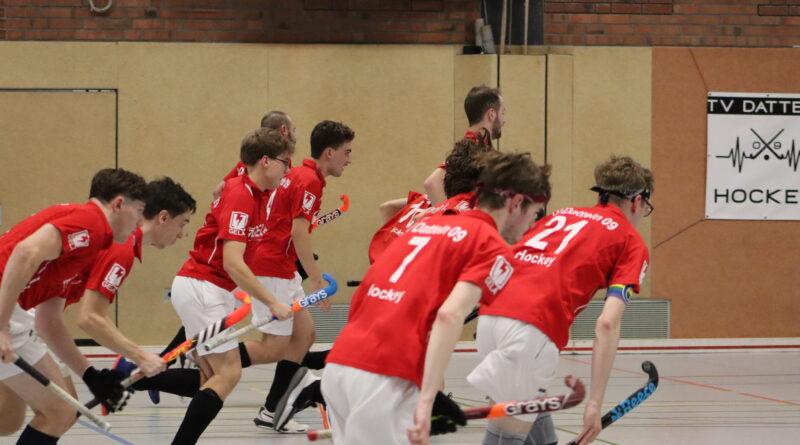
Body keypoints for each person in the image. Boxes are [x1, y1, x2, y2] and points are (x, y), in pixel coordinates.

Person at [273, 152, 550, 444]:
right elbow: (449, 316)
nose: (532, 224)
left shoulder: (427, 221)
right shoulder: (490, 244)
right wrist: (428, 398)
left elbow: (372, 291)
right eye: (534, 213)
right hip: (385, 379)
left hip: (341, 369)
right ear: (516, 203)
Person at [464, 155, 653, 445]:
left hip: (490, 318)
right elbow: (607, 324)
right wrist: (594, 404)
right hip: (530, 330)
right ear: (637, 201)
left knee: (531, 407)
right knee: (505, 437)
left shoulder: (562, 214)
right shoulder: (630, 240)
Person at [0, 168, 147, 444]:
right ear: (118, 204)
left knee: (32, 416)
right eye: (139, 210)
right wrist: (1, 327)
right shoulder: (91, 222)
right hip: (6, 313)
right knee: (58, 412)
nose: (139, 221)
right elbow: (24, 252)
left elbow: (49, 321)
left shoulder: (86, 243)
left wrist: (91, 376)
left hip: (14, 315)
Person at [168, 128, 294, 444]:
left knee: (210, 377)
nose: (287, 169)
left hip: (205, 286)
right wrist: (272, 302)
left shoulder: (255, 193)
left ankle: (132, 380)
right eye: (284, 162)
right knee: (229, 373)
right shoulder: (242, 195)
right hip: (203, 285)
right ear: (265, 161)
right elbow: (232, 262)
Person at [245, 120, 354, 433]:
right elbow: (299, 232)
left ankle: (272, 410)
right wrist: (316, 280)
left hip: (282, 267)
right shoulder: (309, 180)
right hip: (273, 267)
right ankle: (214, 360)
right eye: (346, 152)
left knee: (305, 335)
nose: (349, 159)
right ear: (329, 153)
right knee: (274, 348)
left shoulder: (300, 174)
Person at [64, 178, 196, 410]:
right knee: (60, 412)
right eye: (182, 224)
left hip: (29, 313)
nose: (181, 234)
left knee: (27, 414)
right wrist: (139, 356)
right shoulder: (121, 246)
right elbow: (89, 318)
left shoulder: (122, 243)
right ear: (163, 217)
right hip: (19, 311)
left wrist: (133, 355)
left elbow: (94, 315)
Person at [423, 85, 506, 205]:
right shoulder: (473, 146)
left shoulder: (474, 146)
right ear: (491, 114)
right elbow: (431, 183)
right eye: (502, 113)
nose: (504, 120)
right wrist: (448, 214)